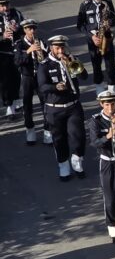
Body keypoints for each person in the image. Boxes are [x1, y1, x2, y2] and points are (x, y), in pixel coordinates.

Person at [38, 35, 87, 180]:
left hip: (73, 106)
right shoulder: (45, 65)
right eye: (57, 48)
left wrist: (72, 63)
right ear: (51, 48)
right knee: (59, 139)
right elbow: (42, 87)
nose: (60, 51)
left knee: (78, 135)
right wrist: (55, 87)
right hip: (54, 108)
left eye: (62, 47)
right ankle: (63, 165)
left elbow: (84, 76)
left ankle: (77, 160)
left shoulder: (72, 59)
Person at [89, 90, 115, 242]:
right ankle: (113, 229)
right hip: (107, 161)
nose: (110, 108)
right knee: (110, 196)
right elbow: (94, 142)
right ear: (101, 104)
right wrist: (108, 135)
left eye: (112, 104)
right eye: (107, 104)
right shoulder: (96, 120)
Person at [75, 0, 115, 95]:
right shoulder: (85, 5)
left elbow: (114, 20)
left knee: (110, 64)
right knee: (96, 64)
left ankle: (112, 87)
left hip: (106, 36)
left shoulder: (107, 2)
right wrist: (91, 36)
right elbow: (80, 25)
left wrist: (109, 23)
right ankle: (99, 86)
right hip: (93, 38)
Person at [13, 20, 46, 144]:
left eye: (33, 28)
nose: (32, 31)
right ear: (24, 30)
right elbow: (17, 61)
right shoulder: (19, 44)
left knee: (45, 103)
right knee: (27, 105)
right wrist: (28, 51)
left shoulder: (41, 41)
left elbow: (48, 58)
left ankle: (47, 130)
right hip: (27, 77)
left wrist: (43, 51)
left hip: (40, 76)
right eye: (29, 29)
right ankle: (30, 130)